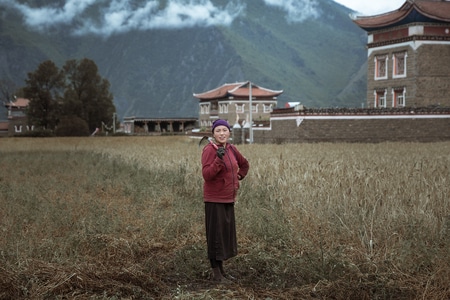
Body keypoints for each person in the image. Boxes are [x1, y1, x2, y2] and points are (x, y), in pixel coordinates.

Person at [201, 119, 249, 283]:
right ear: (213, 134)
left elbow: (244, 165)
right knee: (215, 236)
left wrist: (238, 177)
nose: (222, 133)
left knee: (223, 236)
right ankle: (217, 275)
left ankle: (222, 270)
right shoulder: (209, 150)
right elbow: (207, 175)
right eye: (218, 131)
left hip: (229, 198)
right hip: (214, 199)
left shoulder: (231, 149)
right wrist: (218, 160)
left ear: (229, 132)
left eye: (224, 130)